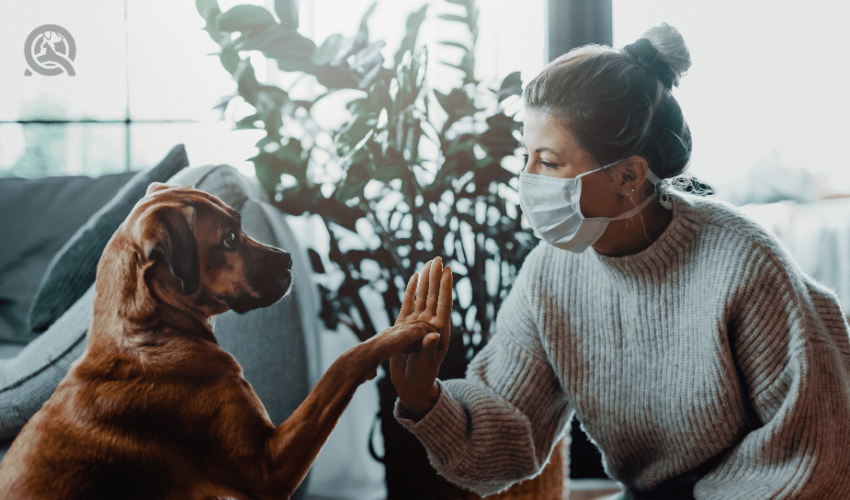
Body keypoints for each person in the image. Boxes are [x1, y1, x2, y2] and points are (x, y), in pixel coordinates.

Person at [388, 23, 850, 499]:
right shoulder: (550, 275)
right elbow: (509, 435)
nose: (526, 180)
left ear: (629, 175)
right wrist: (426, 399)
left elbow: (820, 453)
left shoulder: (743, 261)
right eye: (526, 156)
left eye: (548, 162)